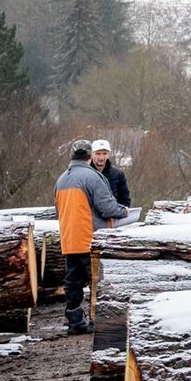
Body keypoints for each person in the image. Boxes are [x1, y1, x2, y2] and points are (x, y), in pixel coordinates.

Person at [53, 138, 130, 334]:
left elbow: (57, 211)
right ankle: (99, 320)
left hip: (69, 239)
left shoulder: (61, 180)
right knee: (98, 281)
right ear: (89, 157)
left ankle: (75, 321)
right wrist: (124, 211)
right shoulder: (92, 177)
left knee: (73, 283)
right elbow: (107, 207)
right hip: (91, 238)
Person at [89, 139, 139, 226]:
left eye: (104, 153)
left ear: (108, 154)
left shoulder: (118, 174)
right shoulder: (85, 174)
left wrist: (119, 214)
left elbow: (125, 199)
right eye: (98, 153)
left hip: (113, 221)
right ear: (91, 154)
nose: (101, 157)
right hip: (89, 221)